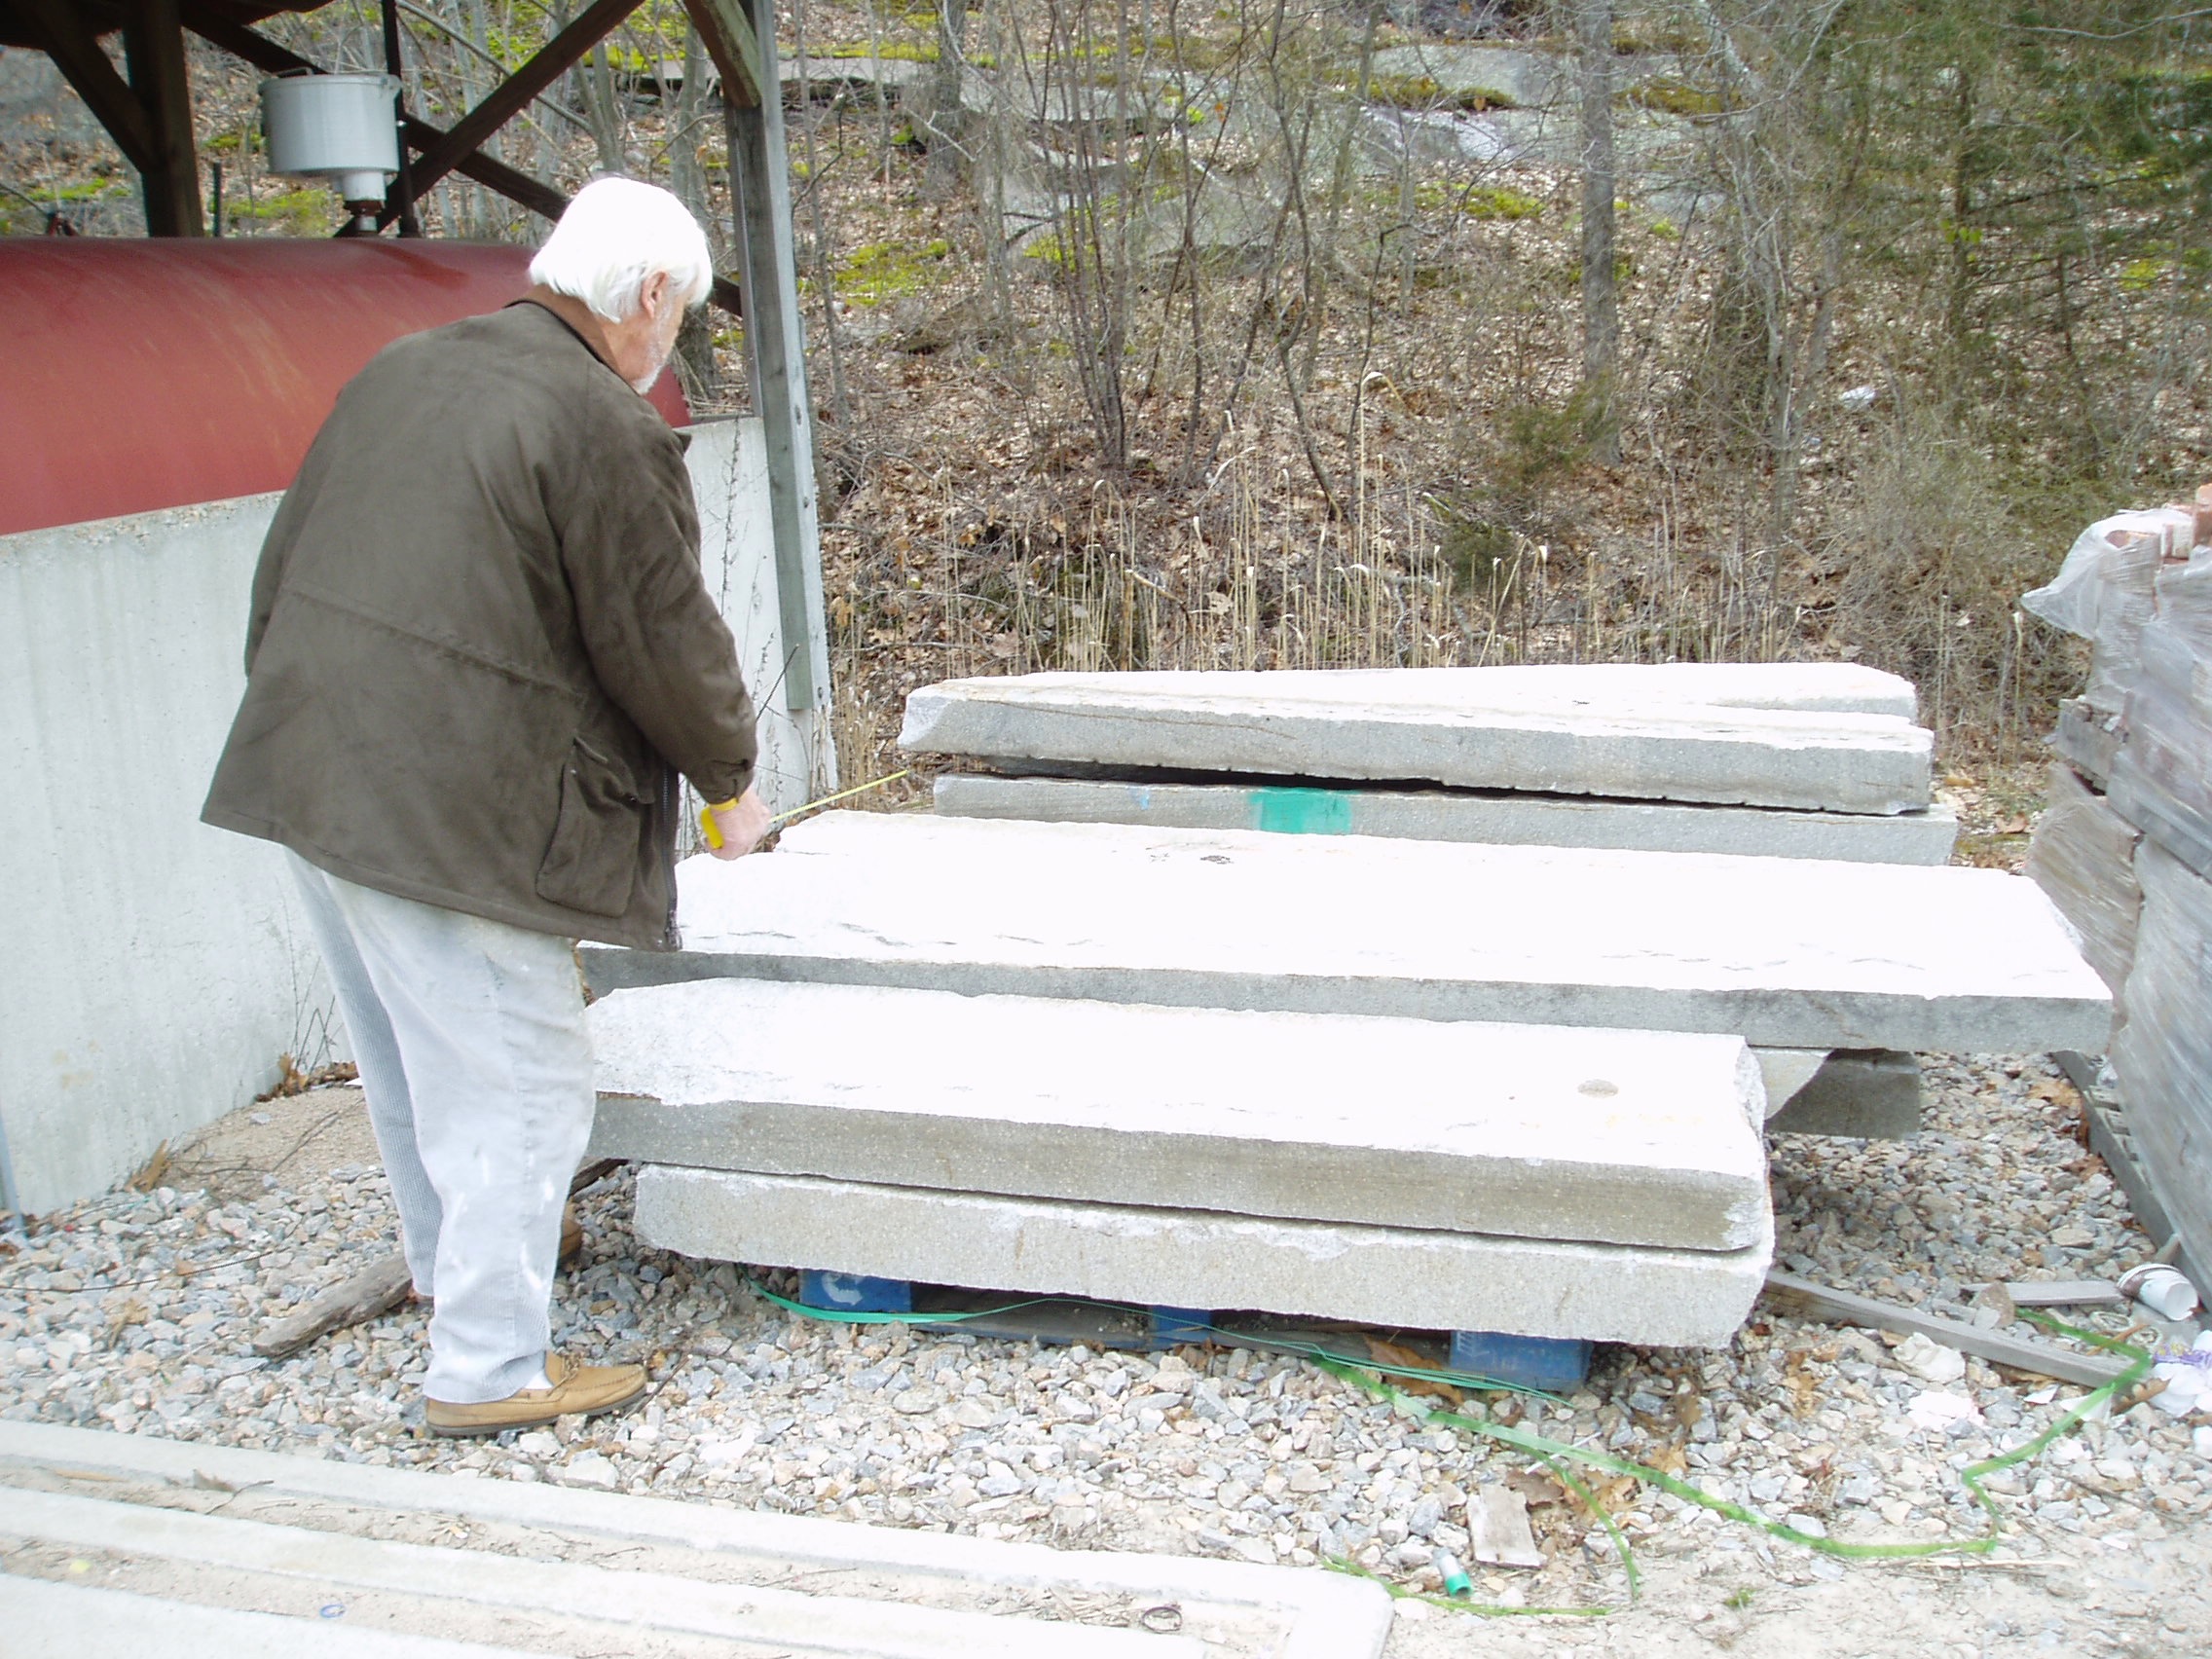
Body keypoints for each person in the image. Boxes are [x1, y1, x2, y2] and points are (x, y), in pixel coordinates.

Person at [203, 178, 772, 1436]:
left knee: (416, 1059)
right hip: (449, 804)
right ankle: (490, 1366)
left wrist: (304, 727)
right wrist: (731, 785)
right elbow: (662, 636)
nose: (673, 339)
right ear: (652, 294)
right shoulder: (599, 421)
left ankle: (446, 1267)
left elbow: (280, 574)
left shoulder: (403, 368)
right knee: (521, 1076)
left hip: (315, 767)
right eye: (681, 312)